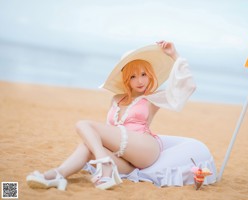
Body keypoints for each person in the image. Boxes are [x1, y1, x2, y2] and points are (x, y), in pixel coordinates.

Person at [26, 41, 215, 191]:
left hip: (145, 148)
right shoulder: (116, 99)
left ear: (150, 75)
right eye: (133, 76)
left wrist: (174, 54)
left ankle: (103, 163)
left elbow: (187, 87)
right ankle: (57, 175)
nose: (140, 80)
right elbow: (107, 133)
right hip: (127, 163)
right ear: (126, 79)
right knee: (87, 144)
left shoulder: (152, 98)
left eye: (143, 74)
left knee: (83, 125)